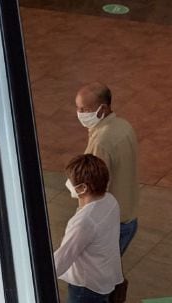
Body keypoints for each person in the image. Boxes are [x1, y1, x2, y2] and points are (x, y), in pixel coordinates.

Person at [76, 83, 139, 303]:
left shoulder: (102, 141)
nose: (80, 114)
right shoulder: (123, 126)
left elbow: (92, 189)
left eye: (84, 109)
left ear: (102, 109)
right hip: (128, 217)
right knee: (108, 273)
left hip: (109, 226)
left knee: (89, 287)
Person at [54, 154, 124, 303]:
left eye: (71, 181)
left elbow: (63, 258)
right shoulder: (110, 201)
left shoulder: (84, 222)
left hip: (86, 287)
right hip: (104, 278)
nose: (68, 183)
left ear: (83, 188)